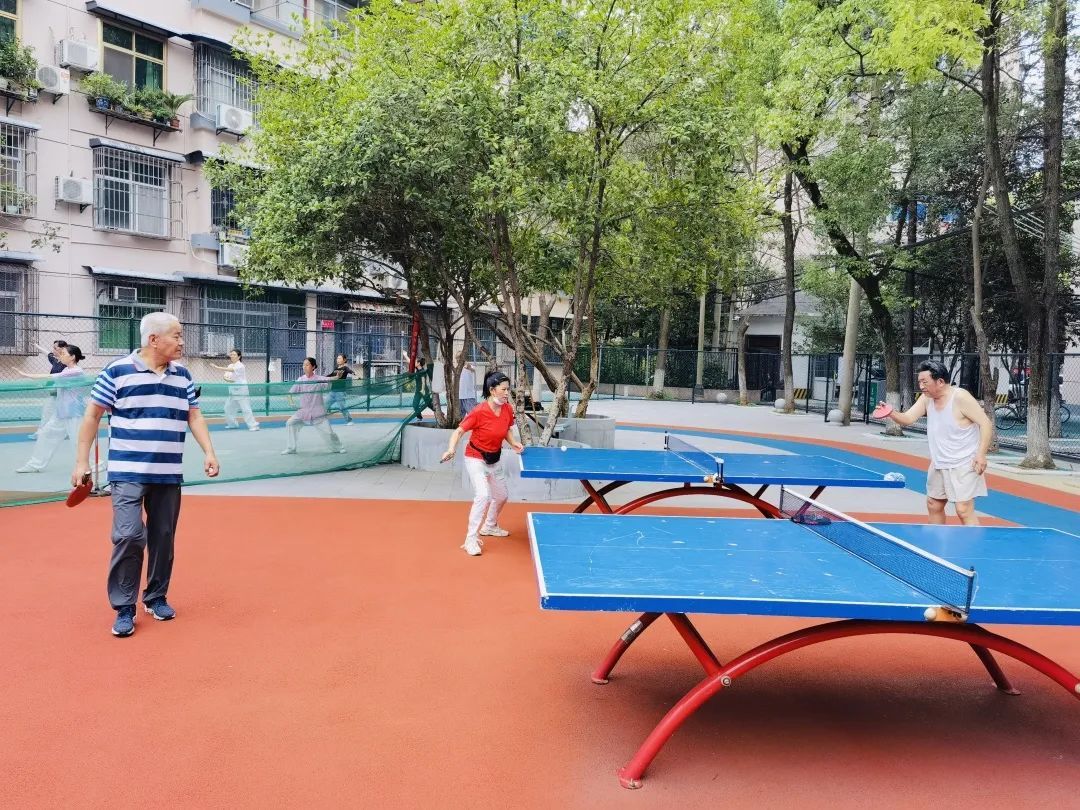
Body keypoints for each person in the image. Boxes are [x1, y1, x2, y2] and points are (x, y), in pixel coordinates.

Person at [72, 312, 220, 637]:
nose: (182, 342)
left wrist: (209, 451)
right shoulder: (117, 371)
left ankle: (155, 596)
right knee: (128, 535)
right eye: (176, 336)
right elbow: (92, 416)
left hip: (168, 472)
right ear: (154, 339)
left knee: (163, 537)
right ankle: (124, 606)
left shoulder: (183, 376)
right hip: (127, 471)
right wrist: (81, 462)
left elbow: (194, 416)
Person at [878, 359, 992, 526]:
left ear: (940, 381)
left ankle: (975, 542)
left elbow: (986, 423)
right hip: (939, 462)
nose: (921, 386)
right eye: (919, 382)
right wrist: (891, 413)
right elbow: (908, 418)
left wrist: (981, 455)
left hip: (964, 462)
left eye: (925, 382)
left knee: (963, 509)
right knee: (934, 504)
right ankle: (936, 539)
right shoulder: (927, 399)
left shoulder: (960, 397)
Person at [440, 372, 525, 557]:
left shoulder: (507, 409)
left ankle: (490, 526)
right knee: (483, 495)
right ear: (492, 390)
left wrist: (513, 443)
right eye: (504, 389)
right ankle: (470, 540)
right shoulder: (478, 411)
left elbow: (506, 429)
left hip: (494, 459)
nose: (507, 393)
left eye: (508, 389)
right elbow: (459, 431)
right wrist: (451, 449)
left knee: (501, 496)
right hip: (476, 458)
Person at [16, 344, 87, 473]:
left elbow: (49, 377)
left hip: (74, 413)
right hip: (61, 412)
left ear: (72, 357)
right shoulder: (66, 370)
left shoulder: (76, 371)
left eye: (63, 353)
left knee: (78, 441)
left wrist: (26, 374)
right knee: (46, 435)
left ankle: (95, 464)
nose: (61, 356)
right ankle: (35, 464)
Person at [282, 357, 345, 455]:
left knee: (329, 432)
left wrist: (337, 377)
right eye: (303, 365)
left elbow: (330, 379)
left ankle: (338, 448)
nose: (304, 367)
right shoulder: (300, 380)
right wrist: (291, 403)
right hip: (303, 412)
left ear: (313, 367)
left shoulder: (319, 379)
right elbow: (289, 394)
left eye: (307, 365)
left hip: (318, 412)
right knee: (290, 423)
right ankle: (291, 448)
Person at [210, 348, 260, 431]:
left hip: (241, 391)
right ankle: (232, 424)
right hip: (232, 391)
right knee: (228, 408)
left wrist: (217, 367)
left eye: (234, 354)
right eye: (231, 354)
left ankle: (253, 426)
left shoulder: (241, 366)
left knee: (246, 409)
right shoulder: (230, 365)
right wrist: (226, 379)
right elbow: (226, 376)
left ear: (239, 357)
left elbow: (231, 370)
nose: (232, 356)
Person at [30, 339, 69, 440]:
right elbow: (46, 353)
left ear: (62, 349)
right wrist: (36, 345)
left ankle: (64, 432)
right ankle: (40, 433)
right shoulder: (55, 360)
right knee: (48, 412)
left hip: (64, 394)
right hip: (54, 393)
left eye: (55, 348)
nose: (53, 350)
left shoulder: (67, 363)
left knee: (60, 414)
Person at [324, 353, 356, 425]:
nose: (338, 360)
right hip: (332, 391)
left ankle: (349, 421)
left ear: (344, 360)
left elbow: (350, 371)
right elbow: (330, 375)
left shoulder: (345, 368)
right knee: (325, 405)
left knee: (342, 407)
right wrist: (323, 378)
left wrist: (356, 375)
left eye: (340, 358)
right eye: (337, 358)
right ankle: (321, 420)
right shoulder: (336, 369)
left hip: (340, 392)